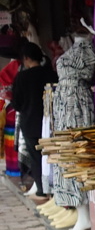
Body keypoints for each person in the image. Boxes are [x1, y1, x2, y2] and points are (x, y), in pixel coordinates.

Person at [10, 42, 55, 197]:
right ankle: (56, 191)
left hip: (30, 124)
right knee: (53, 156)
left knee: (36, 158)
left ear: (27, 58)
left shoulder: (21, 77)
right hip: (51, 123)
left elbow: (16, 103)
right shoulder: (50, 73)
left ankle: (42, 190)